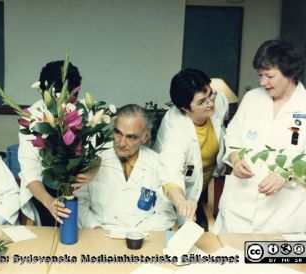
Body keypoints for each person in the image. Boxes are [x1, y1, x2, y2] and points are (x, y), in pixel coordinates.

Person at [215, 39, 306, 233]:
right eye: (260, 75)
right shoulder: (252, 99)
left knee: (272, 263)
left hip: (283, 217)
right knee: (228, 259)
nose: (262, 82)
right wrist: (235, 158)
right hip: (237, 209)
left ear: (291, 73)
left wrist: (287, 174)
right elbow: (232, 135)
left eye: (270, 76)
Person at [19, 60, 97, 225]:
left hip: (79, 188)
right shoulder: (33, 116)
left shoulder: (85, 111)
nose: (64, 107)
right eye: (58, 101)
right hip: (43, 189)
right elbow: (30, 170)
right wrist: (48, 202)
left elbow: (97, 155)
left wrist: (90, 174)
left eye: (70, 100)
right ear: (44, 95)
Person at [75, 104, 175, 230]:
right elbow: (79, 202)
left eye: (131, 137)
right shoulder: (94, 158)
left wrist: (136, 233)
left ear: (145, 137)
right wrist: (95, 227)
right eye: (118, 133)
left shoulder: (157, 164)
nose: (121, 143)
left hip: (140, 237)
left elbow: (166, 215)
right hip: (98, 234)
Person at [153, 69, 228, 226]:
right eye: (202, 102)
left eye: (210, 94)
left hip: (204, 185)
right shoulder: (176, 127)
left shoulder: (218, 102)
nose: (211, 103)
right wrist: (181, 202)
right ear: (185, 108)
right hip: (174, 188)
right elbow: (170, 171)